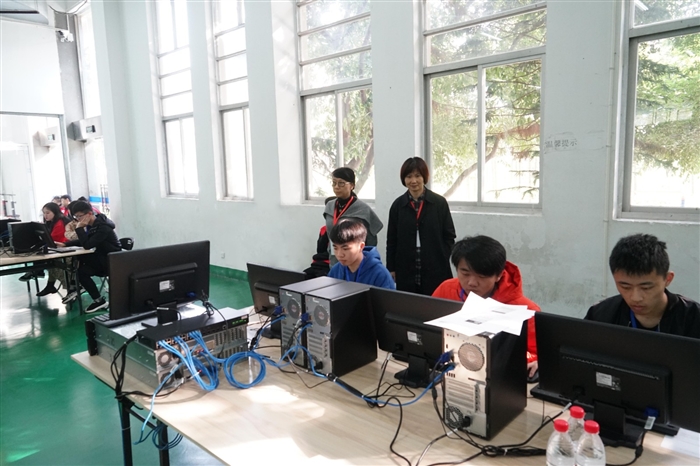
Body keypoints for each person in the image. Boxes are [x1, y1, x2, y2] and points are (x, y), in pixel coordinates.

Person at [432, 235, 540, 378]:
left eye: (482, 277)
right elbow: (426, 330)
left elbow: (536, 354)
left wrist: (533, 360)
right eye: (465, 273)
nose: (472, 282)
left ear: (499, 275)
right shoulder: (446, 289)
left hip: (497, 379)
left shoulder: (526, 310)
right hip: (449, 370)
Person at [585, 234, 700, 338]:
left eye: (646, 288)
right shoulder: (600, 316)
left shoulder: (694, 319)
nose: (636, 298)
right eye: (625, 287)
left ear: (668, 279)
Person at [386, 157, 455, 295]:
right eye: (409, 176)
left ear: (424, 177)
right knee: (410, 302)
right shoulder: (398, 205)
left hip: (435, 264)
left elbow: (449, 235)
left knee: (435, 300)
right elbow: (392, 240)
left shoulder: (439, 203)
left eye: (418, 176)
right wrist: (391, 268)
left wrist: (442, 256)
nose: (413, 181)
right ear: (404, 179)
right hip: (406, 265)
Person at [57, 200, 121, 313]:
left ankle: (80, 289)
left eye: (79, 216)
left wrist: (79, 228)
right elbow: (86, 240)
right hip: (102, 258)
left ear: (89, 214)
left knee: (81, 267)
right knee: (79, 268)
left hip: (111, 262)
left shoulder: (103, 227)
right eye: (76, 217)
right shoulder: (95, 224)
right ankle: (88, 294)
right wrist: (65, 244)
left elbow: (87, 245)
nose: (77, 219)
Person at [323, 167, 383, 264]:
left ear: (352, 185)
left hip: (356, 261)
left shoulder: (362, 209)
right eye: (334, 183)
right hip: (335, 258)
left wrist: (367, 261)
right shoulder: (329, 206)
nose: (336, 187)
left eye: (341, 183)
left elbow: (371, 241)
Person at [327, 219, 395, 290]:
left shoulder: (380, 274)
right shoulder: (335, 271)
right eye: (335, 248)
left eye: (345, 249)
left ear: (361, 246)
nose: (339, 254)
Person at [34, 203, 72, 297]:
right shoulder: (52, 222)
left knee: (53, 264)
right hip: (59, 248)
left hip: (68, 249)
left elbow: (52, 238)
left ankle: (71, 289)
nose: (45, 215)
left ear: (55, 212)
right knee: (50, 262)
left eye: (48, 213)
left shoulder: (60, 222)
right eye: (44, 213)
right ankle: (50, 285)